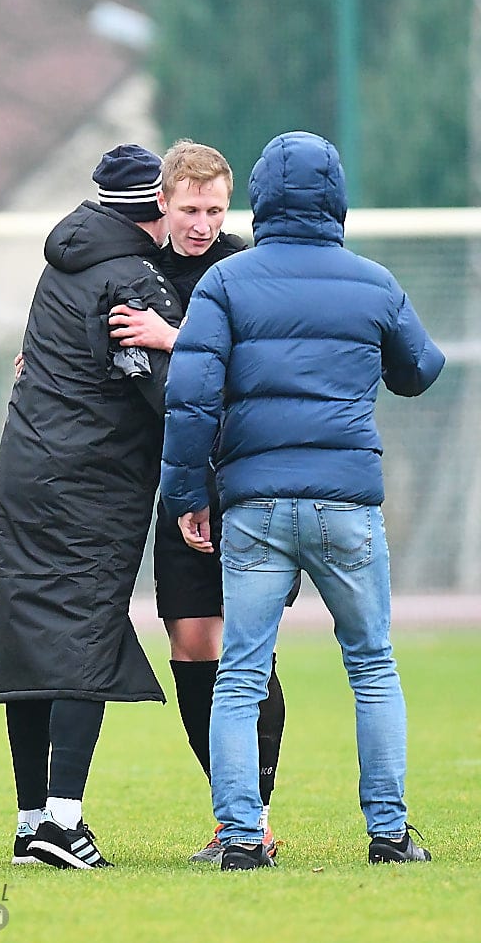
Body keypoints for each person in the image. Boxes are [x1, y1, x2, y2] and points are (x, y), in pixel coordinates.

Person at [161, 130, 443, 870]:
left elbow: (190, 396)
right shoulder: (373, 283)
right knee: (372, 665)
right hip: (347, 502)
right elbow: (419, 370)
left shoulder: (226, 282)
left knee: (240, 673)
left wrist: (188, 494)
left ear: (261, 198)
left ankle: (241, 838)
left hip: (254, 504)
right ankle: (389, 834)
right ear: (336, 198)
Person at [0, 144, 181, 869]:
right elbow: (168, 392)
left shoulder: (63, 266)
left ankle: (29, 822)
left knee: (30, 634)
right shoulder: (135, 279)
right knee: (84, 633)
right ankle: (64, 823)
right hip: (92, 480)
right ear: (155, 205)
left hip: (24, 468)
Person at [108, 139, 287, 863]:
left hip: (246, 482)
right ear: (164, 202)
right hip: (179, 482)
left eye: (215, 209)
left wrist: (170, 336)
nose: (203, 224)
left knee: (249, 646)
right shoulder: (138, 269)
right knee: (188, 640)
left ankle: (254, 817)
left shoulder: (244, 266)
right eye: (190, 209)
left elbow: (260, 365)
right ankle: (231, 807)